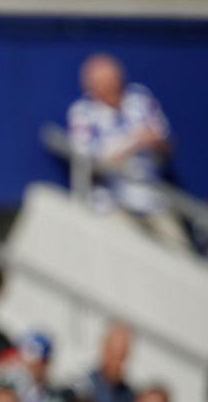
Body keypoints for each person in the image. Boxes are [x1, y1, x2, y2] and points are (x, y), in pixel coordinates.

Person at [68, 53, 189, 252]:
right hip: (111, 202)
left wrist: (154, 141)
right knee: (131, 252)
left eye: (115, 80)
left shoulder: (140, 98)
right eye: (104, 83)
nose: (112, 87)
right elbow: (89, 165)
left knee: (181, 251)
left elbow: (166, 143)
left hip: (152, 197)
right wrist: (133, 142)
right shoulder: (83, 113)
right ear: (91, 86)